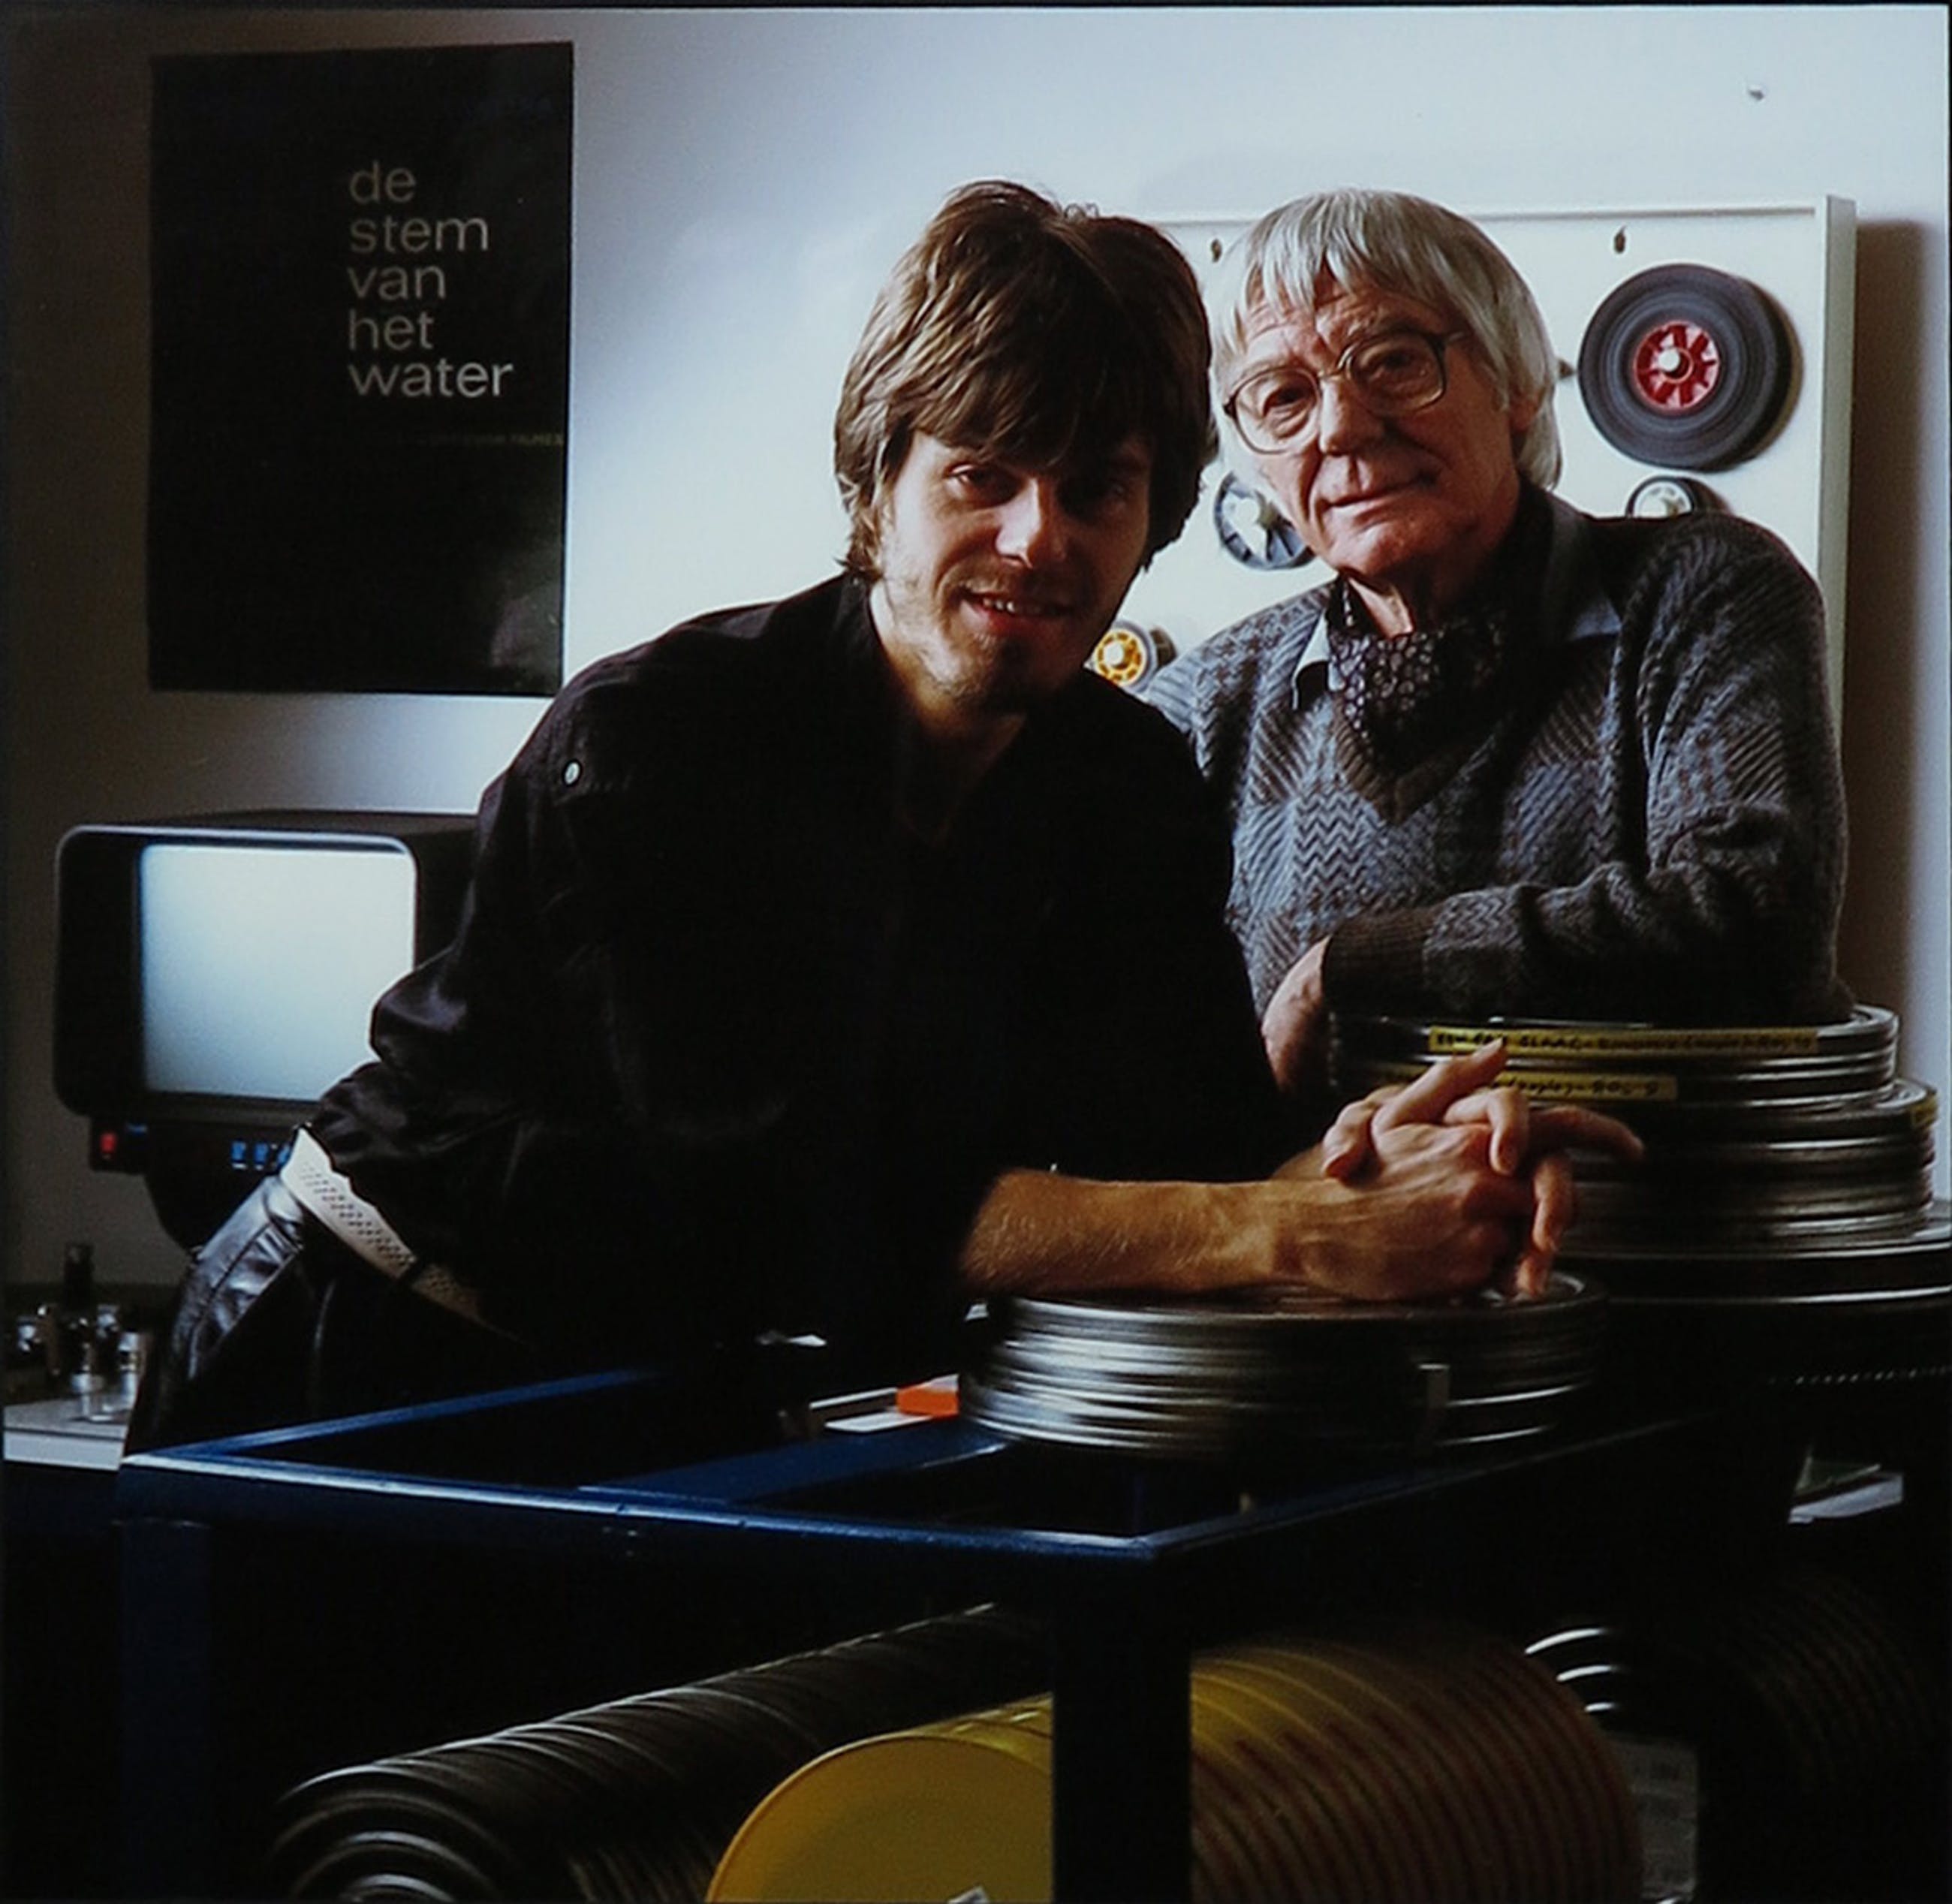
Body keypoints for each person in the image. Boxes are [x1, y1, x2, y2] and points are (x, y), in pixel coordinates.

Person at [128, 181, 1633, 1455]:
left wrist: (1406, 1159)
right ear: (878, 485)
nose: (1038, 538)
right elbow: (787, 1204)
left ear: (1155, 518)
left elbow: (1201, 1161)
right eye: (982, 475)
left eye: (1097, 489)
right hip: (358, 1346)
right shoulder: (664, 738)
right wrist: (1290, 1231)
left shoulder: (1127, 783)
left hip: (659, 1376)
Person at [1143, 188, 1851, 1102]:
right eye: (1283, 398)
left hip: (1651, 1192)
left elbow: (1753, 915)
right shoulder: (1203, 704)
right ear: (1257, 465)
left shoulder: (1698, 592)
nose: (1342, 426)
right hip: (1320, 1196)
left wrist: (1348, 966)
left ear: (1516, 385)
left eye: (1392, 363)